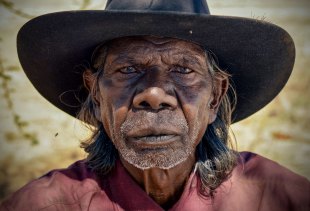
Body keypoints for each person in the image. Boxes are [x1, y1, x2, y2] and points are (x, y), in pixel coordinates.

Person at [1, 0, 309, 210]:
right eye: (128, 69)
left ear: (215, 96)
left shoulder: (278, 198)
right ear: (95, 93)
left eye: (183, 69)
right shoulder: (47, 204)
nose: (154, 93)